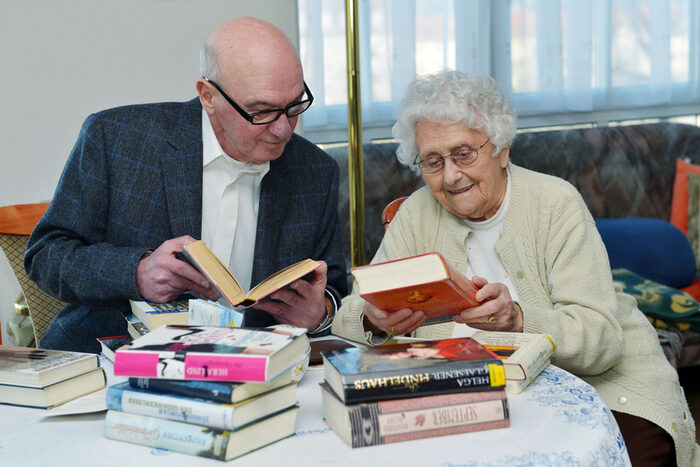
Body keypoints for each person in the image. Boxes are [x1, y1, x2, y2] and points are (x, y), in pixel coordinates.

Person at [332, 70, 698, 466]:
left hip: (604, 388)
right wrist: (376, 320)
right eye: (433, 162)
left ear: (501, 149)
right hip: (475, 400)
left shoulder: (555, 203)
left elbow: (601, 340)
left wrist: (518, 319)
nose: (451, 175)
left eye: (463, 153)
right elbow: (350, 315)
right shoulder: (417, 213)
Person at [25, 17, 347, 353]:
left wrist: (320, 312)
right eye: (261, 111)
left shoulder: (315, 170)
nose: (284, 129)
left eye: (295, 105)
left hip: (255, 369)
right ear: (209, 96)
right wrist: (135, 273)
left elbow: (333, 286)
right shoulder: (117, 140)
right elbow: (46, 255)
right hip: (113, 364)